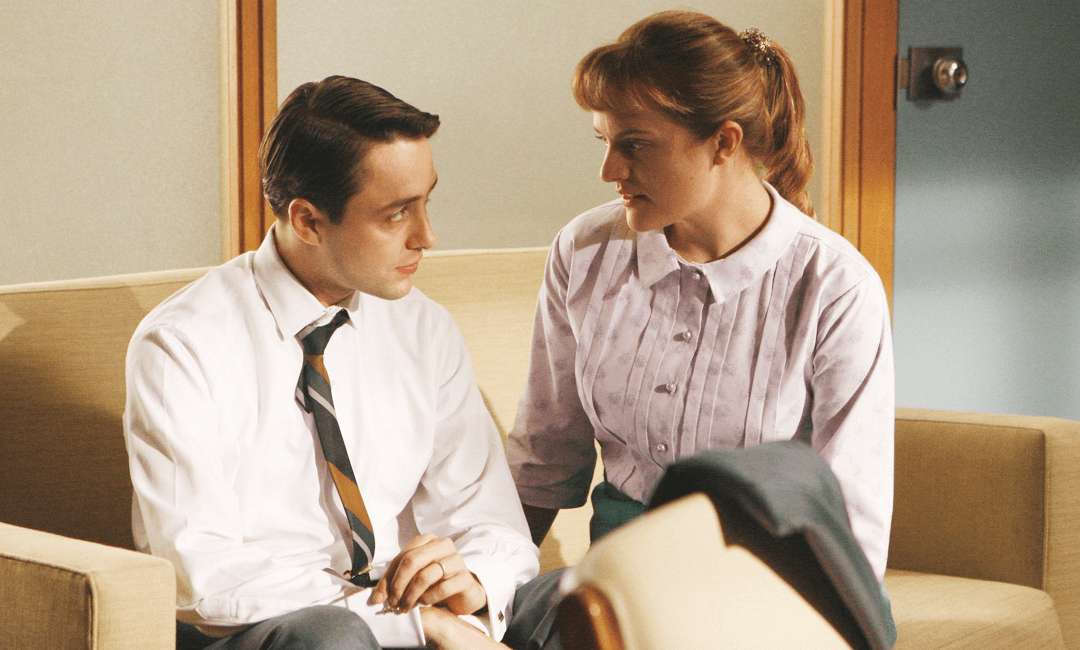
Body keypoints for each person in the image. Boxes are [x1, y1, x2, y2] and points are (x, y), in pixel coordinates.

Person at [125, 76, 560, 650]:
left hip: (401, 605)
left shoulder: (423, 327)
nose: (428, 236)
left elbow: (490, 518)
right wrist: (414, 625)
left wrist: (471, 581)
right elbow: (201, 576)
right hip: (273, 626)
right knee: (332, 639)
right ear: (308, 220)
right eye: (396, 214)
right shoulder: (182, 344)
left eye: (426, 202)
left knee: (578, 595)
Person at [507, 9, 895, 639]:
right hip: (620, 589)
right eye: (604, 141)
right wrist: (487, 590)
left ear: (724, 142)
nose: (609, 170)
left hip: (775, 590)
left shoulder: (835, 286)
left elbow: (853, 523)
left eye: (635, 144)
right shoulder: (584, 250)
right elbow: (546, 456)